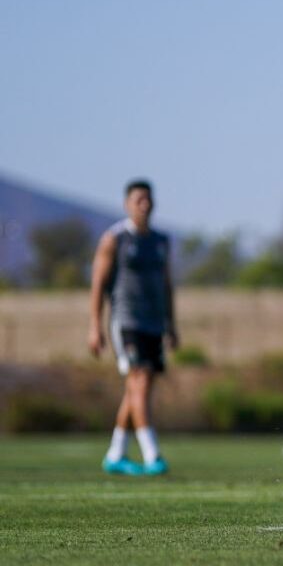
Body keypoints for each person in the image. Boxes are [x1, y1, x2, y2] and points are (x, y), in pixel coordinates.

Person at [88, 179, 177, 476]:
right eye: (139, 199)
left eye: (149, 199)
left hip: (154, 323)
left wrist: (171, 325)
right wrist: (94, 325)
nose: (145, 204)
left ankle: (115, 454)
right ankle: (152, 455)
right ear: (127, 204)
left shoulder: (161, 241)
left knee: (139, 387)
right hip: (126, 320)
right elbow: (98, 284)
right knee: (138, 380)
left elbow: (166, 285)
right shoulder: (114, 239)